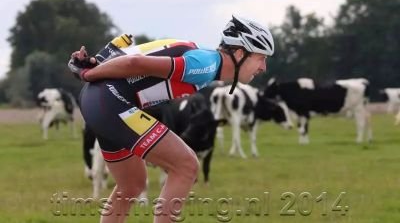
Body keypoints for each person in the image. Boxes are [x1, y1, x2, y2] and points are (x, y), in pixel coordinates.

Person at [68, 15, 274, 223]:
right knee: (186, 166)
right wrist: (87, 73)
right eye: (261, 57)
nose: (263, 67)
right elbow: (134, 62)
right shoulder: (206, 65)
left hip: (99, 101)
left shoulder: (204, 56)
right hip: (109, 102)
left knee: (132, 184)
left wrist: (96, 62)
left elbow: (135, 54)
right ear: (240, 53)